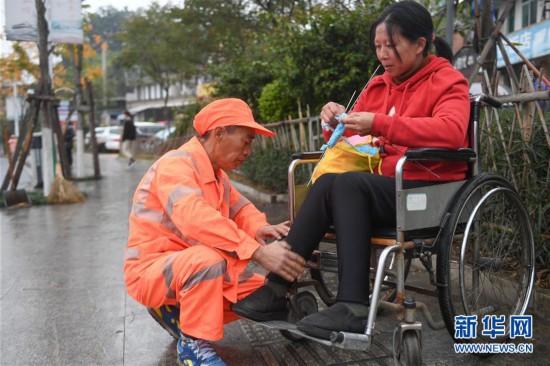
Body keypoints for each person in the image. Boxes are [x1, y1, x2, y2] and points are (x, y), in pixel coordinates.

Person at [231, 0, 470, 340]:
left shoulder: (448, 81)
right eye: (378, 46)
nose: (383, 54)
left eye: (391, 45)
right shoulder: (378, 84)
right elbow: (352, 137)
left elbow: (450, 132)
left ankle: (353, 306)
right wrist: (335, 120)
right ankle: (277, 288)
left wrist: (382, 123)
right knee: (330, 181)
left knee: (347, 185)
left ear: (420, 44)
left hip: (426, 186)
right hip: (383, 182)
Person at [123, 98, 306, 366]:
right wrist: (257, 251)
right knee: (209, 261)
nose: (249, 151)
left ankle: (176, 312)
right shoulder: (176, 165)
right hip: (153, 271)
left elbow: (241, 209)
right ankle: (192, 344)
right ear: (219, 133)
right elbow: (194, 217)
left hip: (191, 270)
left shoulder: (217, 175)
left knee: (261, 295)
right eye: (246, 141)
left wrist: (260, 228)